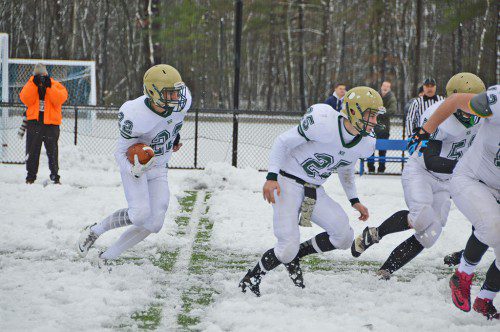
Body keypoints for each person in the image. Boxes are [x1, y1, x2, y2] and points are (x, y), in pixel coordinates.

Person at [239, 87, 386, 297]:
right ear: (353, 111)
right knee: (286, 247)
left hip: (313, 189)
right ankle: (251, 278)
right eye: (370, 114)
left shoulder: (365, 142)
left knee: (343, 236)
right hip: (287, 182)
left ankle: (297, 255)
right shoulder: (324, 123)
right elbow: (282, 141)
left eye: (375, 115)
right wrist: (271, 177)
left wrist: (354, 199)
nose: (374, 120)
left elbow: (346, 167)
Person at [351, 73, 485, 280]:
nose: (473, 107)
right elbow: (432, 160)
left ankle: (385, 270)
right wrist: (471, 166)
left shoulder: (483, 117)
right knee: (421, 218)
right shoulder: (437, 117)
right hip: (422, 171)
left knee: (431, 235)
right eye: (468, 102)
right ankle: (376, 234)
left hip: (448, 179)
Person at [76, 64, 191, 262]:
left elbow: (172, 124)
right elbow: (120, 153)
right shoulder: (135, 115)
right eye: (169, 93)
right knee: (139, 215)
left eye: (176, 92)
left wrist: (174, 138)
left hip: (160, 167)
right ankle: (95, 230)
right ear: (153, 92)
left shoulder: (182, 101)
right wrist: (134, 169)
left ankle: (107, 257)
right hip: (138, 167)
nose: (176, 98)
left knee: (154, 223)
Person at [409, 85, 500, 320]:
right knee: (491, 226)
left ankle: (485, 300)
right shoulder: (497, 100)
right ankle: (462, 275)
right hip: (472, 178)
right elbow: (456, 100)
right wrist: (426, 130)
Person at [19, 63, 68, 184]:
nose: (41, 78)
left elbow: (59, 99)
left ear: (47, 75)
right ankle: (30, 176)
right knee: (32, 151)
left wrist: (49, 86)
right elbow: (25, 98)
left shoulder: (55, 85)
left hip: (51, 125)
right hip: (34, 123)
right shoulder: (30, 85)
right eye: (38, 76)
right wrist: (33, 84)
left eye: (43, 75)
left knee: (52, 151)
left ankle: (55, 175)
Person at [367, 80, 398, 173]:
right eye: (384, 86)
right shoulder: (375, 95)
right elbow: (369, 106)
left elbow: (392, 110)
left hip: (384, 127)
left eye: (387, 86)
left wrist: (380, 112)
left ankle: (381, 169)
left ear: (390, 88)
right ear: (381, 86)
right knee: (370, 148)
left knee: (382, 150)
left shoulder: (391, 97)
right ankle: (370, 168)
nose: (385, 88)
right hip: (372, 126)